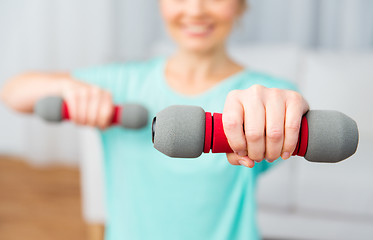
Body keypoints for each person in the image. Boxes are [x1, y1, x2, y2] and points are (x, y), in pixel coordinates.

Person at [0, 0, 309, 239]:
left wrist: (284, 112)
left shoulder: (261, 96)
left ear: (240, 5)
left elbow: (288, 120)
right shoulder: (123, 82)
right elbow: (14, 93)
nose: (195, 10)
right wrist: (66, 88)